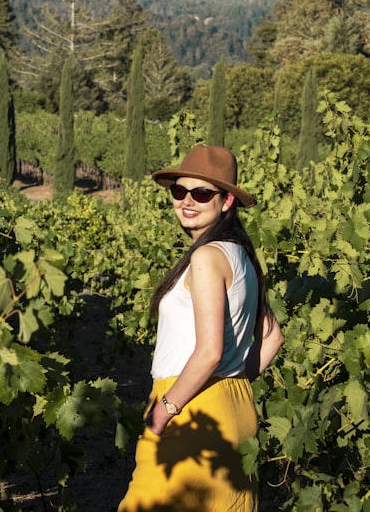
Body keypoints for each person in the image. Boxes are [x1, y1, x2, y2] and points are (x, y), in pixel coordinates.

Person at [118, 144, 284, 512]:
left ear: (226, 202)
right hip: (234, 406)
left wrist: (163, 411)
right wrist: (233, 379)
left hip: (190, 408)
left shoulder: (208, 257)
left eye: (202, 193)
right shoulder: (240, 254)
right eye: (180, 191)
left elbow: (208, 352)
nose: (187, 201)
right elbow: (273, 336)